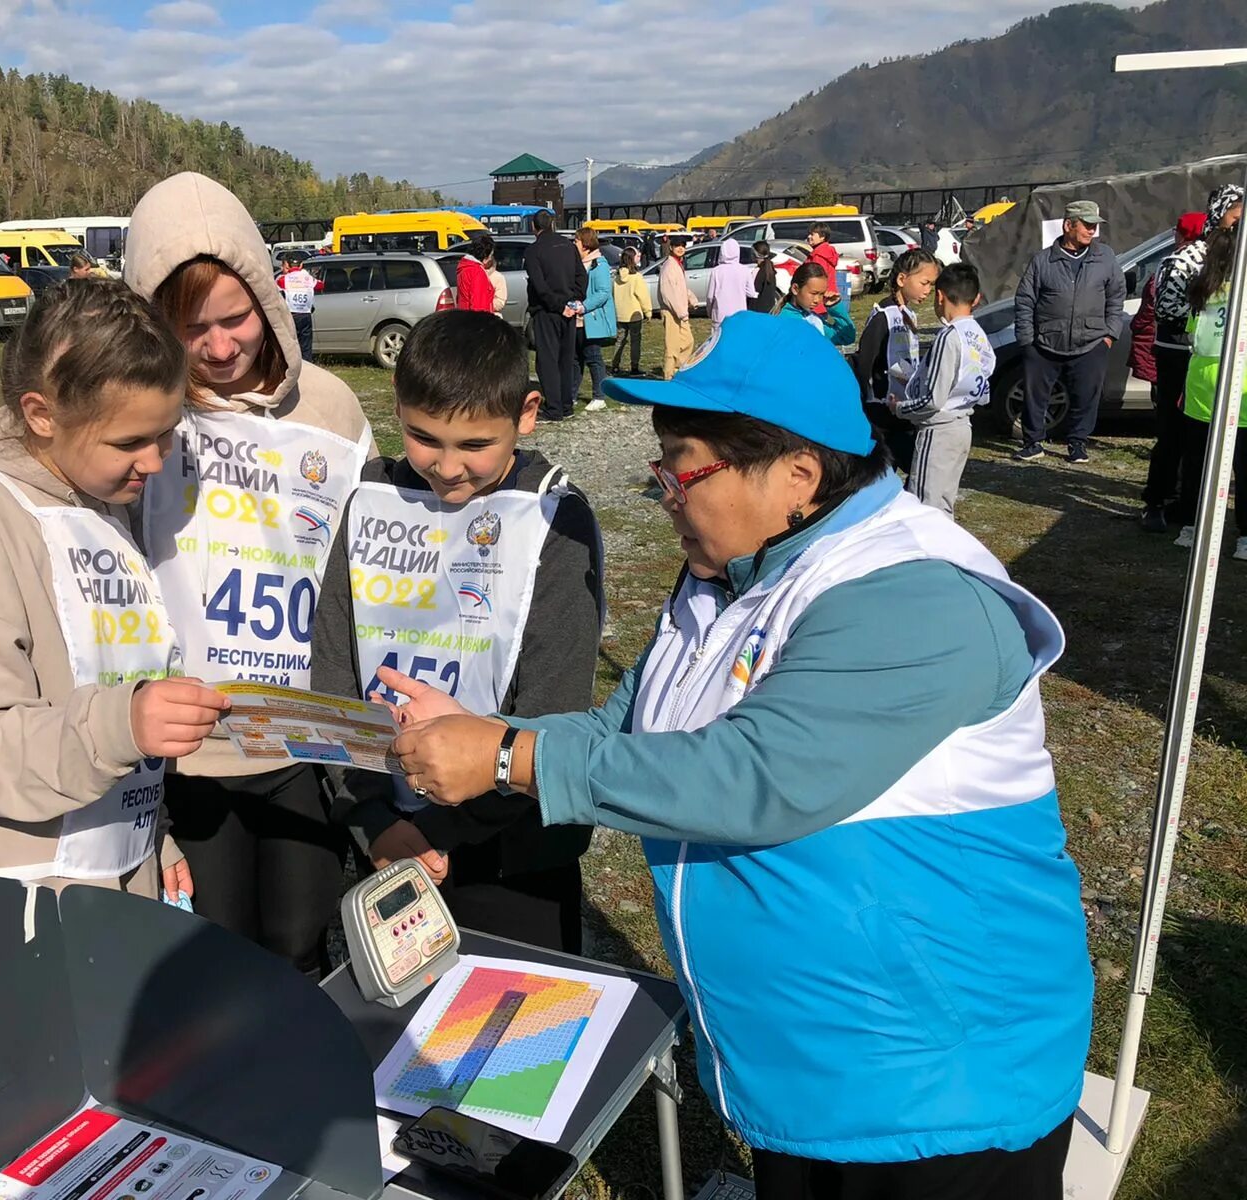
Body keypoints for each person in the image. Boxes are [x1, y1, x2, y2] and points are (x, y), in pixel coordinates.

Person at [384, 310, 1092, 1200]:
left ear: (798, 475)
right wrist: (490, 735)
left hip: (934, 1094)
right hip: (811, 1075)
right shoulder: (732, 572)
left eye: (684, 467)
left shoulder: (917, 595)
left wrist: (503, 762)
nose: (662, 491)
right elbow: (626, 733)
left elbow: (755, 777)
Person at [0, 279, 231, 891]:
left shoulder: (98, 495)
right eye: (130, 441)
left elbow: (103, 672)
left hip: (101, 868)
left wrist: (151, 831)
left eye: (166, 432)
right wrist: (123, 726)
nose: (156, 461)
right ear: (40, 414)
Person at [125, 171, 374, 976]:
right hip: (192, 753)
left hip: (305, 738)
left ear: (269, 301)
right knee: (219, 956)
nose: (222, 347)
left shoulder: (332, 407)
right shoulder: (137, 417)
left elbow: (372, 563)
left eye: (236, 319)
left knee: (303, 941)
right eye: (192, 329)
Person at [309, 311, 603, 952]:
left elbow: (555, 708)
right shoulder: (370, 501)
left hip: (512, 848)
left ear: (526, 414)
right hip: (390, 834)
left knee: (522, 1033)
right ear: (396, 406)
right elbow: (332, 666)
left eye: (474, 446)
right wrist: (371, 816)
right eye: (423, 438)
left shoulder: (555, 519)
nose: (446, 468)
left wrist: (452, 829)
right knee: (405, 1029)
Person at [1146, 186, 1242, 530]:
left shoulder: (1241, 257)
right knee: (1176, 435)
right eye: (1235, 212)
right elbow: (1166, 309)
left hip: (1228, 360)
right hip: (1181, 357)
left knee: (1228, 441)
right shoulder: (1187, 259)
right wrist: (1206, 310)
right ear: (1218, 213)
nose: (1240, 219)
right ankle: (1158, 502)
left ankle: (1204, 508)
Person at [1012, 199, 1125, 464]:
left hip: (1091, 342)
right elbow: (1025, 300)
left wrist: (1109, 335)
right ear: (1068, 225)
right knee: (1035, 396)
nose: (1091, 231)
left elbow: (1116, 296)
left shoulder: (1105, 257)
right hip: (1045, 343)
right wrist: (1027, 341)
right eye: (1086, 225)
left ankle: (1077, 444)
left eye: (1094, 226)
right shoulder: (1042, 261)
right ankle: (1032, 442)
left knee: (1085, 396)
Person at [894, 262, 995, 516]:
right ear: (976, 299)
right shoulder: (978, 335)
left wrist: (899, 408)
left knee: (925, 507)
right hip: (962, 425)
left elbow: (933, 400)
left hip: (938, 430)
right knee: (942, 503)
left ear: (940, 296)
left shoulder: (949, 336)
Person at [1173, 218, 1247, 561]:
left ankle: (1192, 525)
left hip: (1203, 386)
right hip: (1229, 390)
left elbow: (1191, 334)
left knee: (1197, 465)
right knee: (1239, 468)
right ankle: (1241, 536)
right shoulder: (1223, 294)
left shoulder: (1202, 293)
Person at [854, 247, 939, 474]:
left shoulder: (908, 314)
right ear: (902, 279)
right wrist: (869, 401)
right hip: (881, 415)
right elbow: (866, 362)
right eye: (924, 283)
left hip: (902, 410)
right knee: (887, 475)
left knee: (919, 471)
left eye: (931, 285)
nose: (928, 290)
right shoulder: (883, 315)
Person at [524, 209, 587, 420]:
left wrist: (560, 305)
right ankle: (567, 405)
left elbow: (540, 286)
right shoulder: (568, 246)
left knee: (548, 360)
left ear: (534, 227)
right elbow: (581, 277)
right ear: (552, 224)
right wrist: (574, 301)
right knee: (566, 358)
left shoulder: (534, 251)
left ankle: (554, 408)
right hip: (568, 310)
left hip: (547, 310)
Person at [574, 228, 617, 412]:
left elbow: (603, 293)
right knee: (576, 358)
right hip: (579, 318)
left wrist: (584, 306)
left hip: (592, 318)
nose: (574, 243)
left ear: (585, 243)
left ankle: (599, 396)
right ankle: (572, 394)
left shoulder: (599, 264)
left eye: (576, 240)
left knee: (593, 356)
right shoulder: (580, 263)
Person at [778, 262, 855, 346]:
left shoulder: (812, 318)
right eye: (813, 293)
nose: (817, 300)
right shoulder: (785, 321)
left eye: (821, 294)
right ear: (795, 289)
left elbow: (846, 337)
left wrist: (835, 307)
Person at [611, 247, 652, 376]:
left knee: (620, 341)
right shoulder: (636, 277)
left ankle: (615, 366)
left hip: (620, 314)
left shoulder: (616, 277)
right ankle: (634, 367)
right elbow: (643, 296)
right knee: (635, 341)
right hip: (634, 315)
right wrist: (648, 311)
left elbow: (613, 294)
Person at [275, 250, 322, 361]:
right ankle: (307, 367)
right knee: (305, 346)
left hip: (291, 314)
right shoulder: (307, 277)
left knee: (290, 344)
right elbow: (320, 285)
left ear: (288, 265)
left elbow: (277, 286)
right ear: (301, 265)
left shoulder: (284, 279)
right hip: (305, 314)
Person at [658, 234, 694, 379]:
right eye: (678, 246)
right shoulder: (669, 266)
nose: (681, 248)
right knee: (672, 345)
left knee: (687, 341)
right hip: (672, 312)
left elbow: (680, 288)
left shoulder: (677, 264)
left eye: (683, 246)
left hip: (680, 311)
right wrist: (680, 312)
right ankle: (669, 375)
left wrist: (691, 298)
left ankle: (678, 370)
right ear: (671, 248)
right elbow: (668, 293)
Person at [706, 239, 756, 335]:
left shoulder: (716, 271)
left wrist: (709, 311)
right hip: (739, 314)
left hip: (720, 315)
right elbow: (751, 293)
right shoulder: (744, 270)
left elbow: (710, 296)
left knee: (718, 342)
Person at [454, 234, 497, 314]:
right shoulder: (477, 272)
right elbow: (478, 305)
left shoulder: (464, 268)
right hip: (476, 320)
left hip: (463, 316)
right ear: (485, 254)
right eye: (490, 255)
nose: (491, 258)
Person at [748, 240, 779, 314]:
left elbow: (752, 292)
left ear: (756, 255)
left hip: (757, 311)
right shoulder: (770, 269)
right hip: (769, 309)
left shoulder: (757, 271)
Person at [484, 241, 508, 316]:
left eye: (488, 256)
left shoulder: (498, 277)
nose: (486, 259)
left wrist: (484, 304)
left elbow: (500, 301)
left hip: (491, 316)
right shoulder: (473, 273)